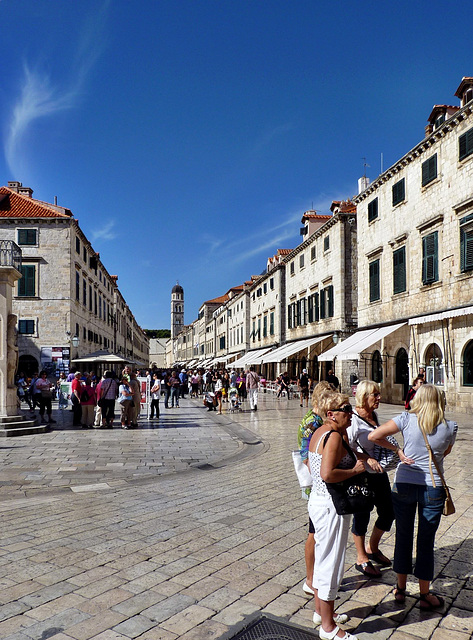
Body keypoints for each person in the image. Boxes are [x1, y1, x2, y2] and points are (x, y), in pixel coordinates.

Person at [369, 384, 457, 610]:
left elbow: (374, 435)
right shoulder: (451, 427)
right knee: (426, 541)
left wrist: (398, 451)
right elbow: (443, 453)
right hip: (432, 486)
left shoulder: (406, 420)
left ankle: (400, 589)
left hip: (404, 483)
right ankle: (425, 593)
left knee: (404, 535)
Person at [307, 392, 361, 639]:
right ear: (331, 414)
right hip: (332, 505)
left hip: (318, 501)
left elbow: (312, 466)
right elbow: (328, 474)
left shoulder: (319, 432)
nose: (350, 413)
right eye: (346, 409)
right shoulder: (335, 437)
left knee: (323, 559)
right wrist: (356, 469)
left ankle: (322, 613)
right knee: (330, 563)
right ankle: (328, 628)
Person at [347, 381, 396, 577]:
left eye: (378, 394)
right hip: (362, 474)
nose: (379, 398)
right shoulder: (354, 420)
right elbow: (346, 448)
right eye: (374, 394)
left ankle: (372, 548)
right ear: (363, 396)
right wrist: (366, 458)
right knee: (362, 514)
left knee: (388, 511)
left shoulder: (373, 415)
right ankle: (361, 558)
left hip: (379, 473)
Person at [297, 381, 335, 597]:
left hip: (320, 484)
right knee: (313, 532)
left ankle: (316, 577)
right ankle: (310, 579)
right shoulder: (313, 422)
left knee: (317, 532)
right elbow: (306, 457)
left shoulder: (318, 420)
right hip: (317, 485)